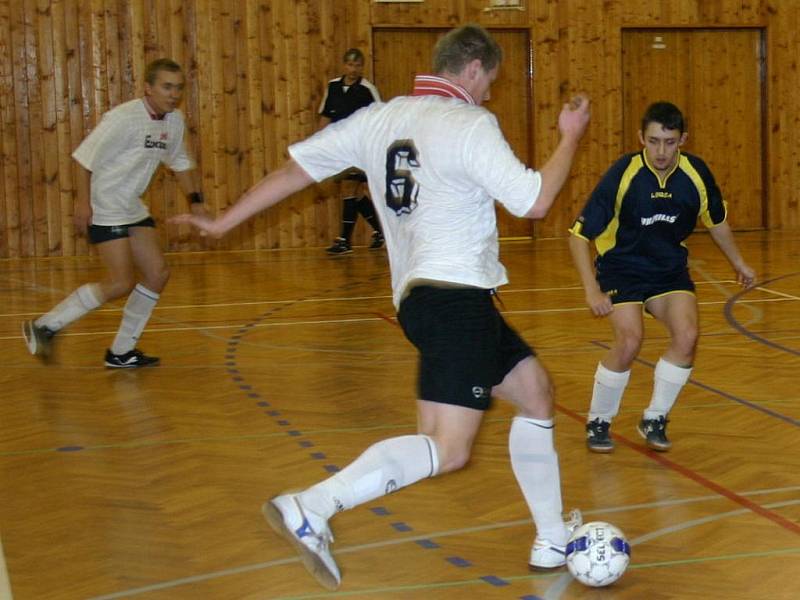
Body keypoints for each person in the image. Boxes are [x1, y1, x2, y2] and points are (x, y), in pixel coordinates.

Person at [173, 25, 590, 590]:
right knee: (448, 448)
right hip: (456, 300)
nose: (490, 92)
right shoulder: (469, 123)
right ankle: (313, 505)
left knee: (535, 393)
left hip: (427, 301)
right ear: (472, 69)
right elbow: (536, 201)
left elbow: (295, 170)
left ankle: (551, 538)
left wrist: (222, 222)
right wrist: (569, 137)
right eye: (490, 80)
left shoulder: (378, 118)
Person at [568, 101, 755, 453]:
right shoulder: (624, 172)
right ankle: (599, 419)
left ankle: (655, 417)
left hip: (667, 269)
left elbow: (716, 221)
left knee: (687, 335)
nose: (661, 151)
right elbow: (578, 236)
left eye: (669, 142)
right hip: (620, 267)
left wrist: (739, 263)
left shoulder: (695, 174)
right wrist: (591, 290)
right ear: (641, 138)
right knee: (629, 341)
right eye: (653, 141)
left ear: (682, 139)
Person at [22, 58, 205, 368]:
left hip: (132, 205)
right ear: (148, 88)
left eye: (178, 88)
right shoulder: (123, 118)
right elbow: (83, 159)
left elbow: (180, 161)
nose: (173, 94)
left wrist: (197, 201)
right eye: (166, 87)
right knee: (120, 282)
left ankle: (121, 352)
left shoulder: (174, 121)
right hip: (106, 204)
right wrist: (83, 203)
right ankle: (45, 326)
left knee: (157, 274)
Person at [319, 48, 384, 255]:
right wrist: (320, 142)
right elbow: (326, 115)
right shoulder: (333, 86)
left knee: (350, 189)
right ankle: (380, 232)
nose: (353, 69)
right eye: (350, 65)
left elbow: (380, 118)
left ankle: (344, 240)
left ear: (362, 66)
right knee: (355, 193)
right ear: (343, 65)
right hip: (339, 147)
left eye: (357, 65)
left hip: (360, 148)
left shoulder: (367, 89)